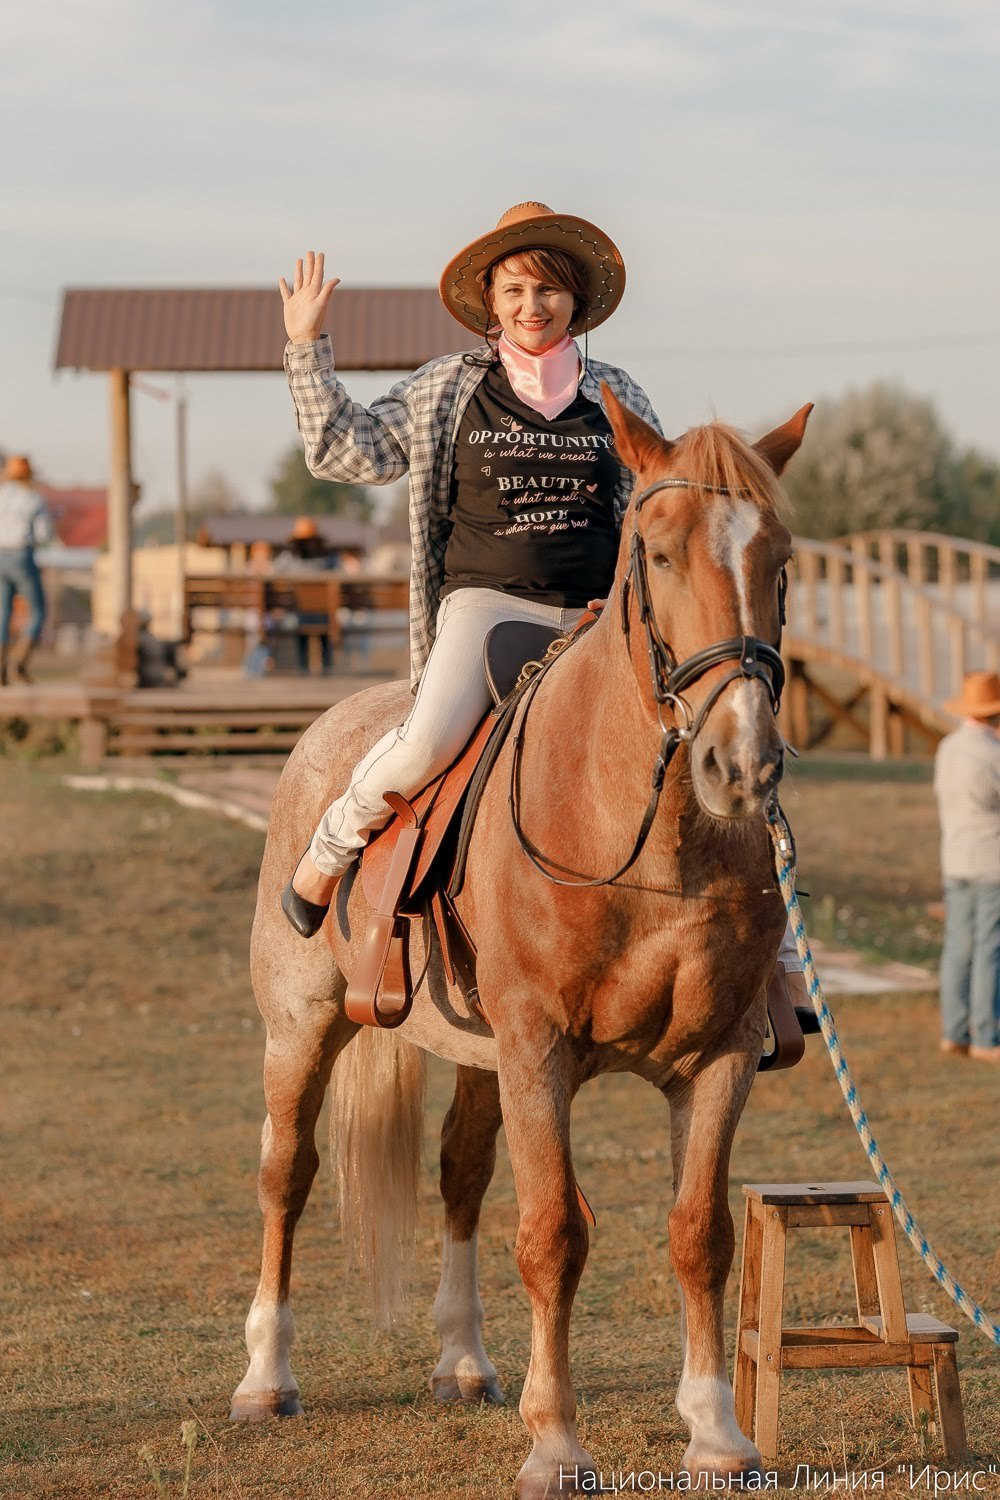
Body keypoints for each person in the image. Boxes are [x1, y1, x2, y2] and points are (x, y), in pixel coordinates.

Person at [276, 202, 807, 1018]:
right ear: (491, 299)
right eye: (518, 288)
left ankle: (778, 962)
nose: (535, 305)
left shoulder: (616, 392)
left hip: (601, 619)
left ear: (576, 304)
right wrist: (306, 348)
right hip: (488, 609)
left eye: (551, 291)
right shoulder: (449, 387)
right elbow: (348, 450)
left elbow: (662, 506)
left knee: (725, 737)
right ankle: (328, 850)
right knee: (422, 743)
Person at [933, 670, 1000, 1062]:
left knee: (958, 946)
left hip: (955, 858)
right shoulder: (991, 754)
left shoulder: (948, 747)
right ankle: (986, 1035)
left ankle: (953, 1031)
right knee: (990, 948)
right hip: (991, 862)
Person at [0, 454, 53, 686]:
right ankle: (17, 665)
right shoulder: (33, 500)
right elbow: (44, 536)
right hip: (21, 554)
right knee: (38, 611)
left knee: (3, 613)